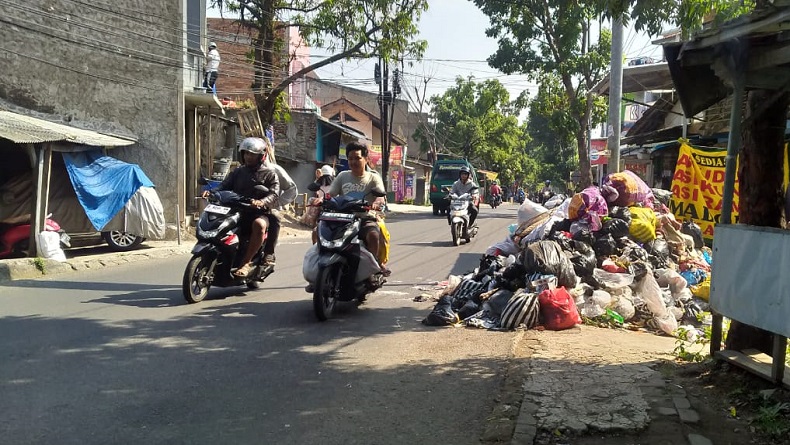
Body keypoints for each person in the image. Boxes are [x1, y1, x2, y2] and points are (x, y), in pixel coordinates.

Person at [204, 137, 280, 277]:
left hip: (257, 213)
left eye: (252, 154)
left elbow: (274, 194)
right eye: (246, 153)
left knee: (259, 224)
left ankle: (246, 263)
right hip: (236, 210)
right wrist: (212, 192)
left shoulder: (269, 174)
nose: (248, 157)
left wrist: (262, 202)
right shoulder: (238, 172)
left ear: (261, 156)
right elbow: (224, 185)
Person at [327, 142, 390, 276]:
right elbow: (330, 194)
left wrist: (376, 203)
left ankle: (372, 269)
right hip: (343, 219)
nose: (353, 162)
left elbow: (380, 197)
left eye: (357, 158)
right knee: (318, 232)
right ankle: (321, 264)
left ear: (366, 159)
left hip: (365, 218)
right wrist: (321, 199)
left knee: (373, 235)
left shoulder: (373, 177)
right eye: (350, 158)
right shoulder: (342, 176)